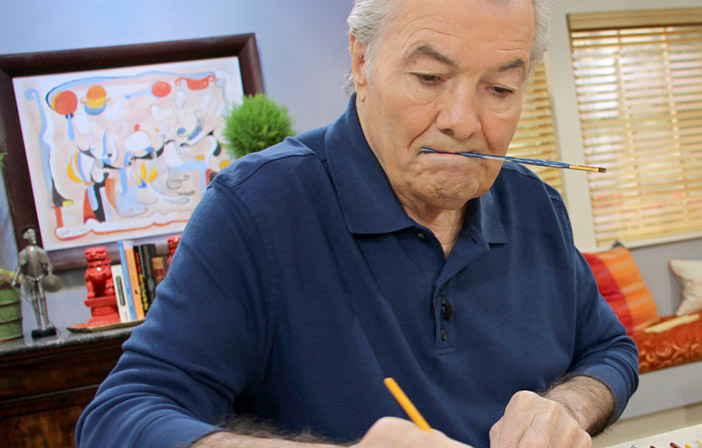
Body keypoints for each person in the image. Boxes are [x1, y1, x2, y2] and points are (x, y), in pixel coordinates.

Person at [75, 0, 639, 446]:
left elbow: (610, 350)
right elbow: (118, 418)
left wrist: (568, 406)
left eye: (500, 90)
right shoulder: (256, 208)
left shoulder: (537, 206)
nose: (463, 122)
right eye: (429, 77)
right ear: (362, 61)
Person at [15, 227, 57, 338]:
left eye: (34, 234)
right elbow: (20, 267)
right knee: (34, 300)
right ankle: (39, 325)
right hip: (31, 279)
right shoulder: (24, 253)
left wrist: (50, 274)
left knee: (42, 298)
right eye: (30, 234)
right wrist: (15, 279)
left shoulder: (40, 251)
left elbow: (48, 264)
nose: (33, 237)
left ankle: (46, 323)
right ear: (26, 236)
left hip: (41, 277)